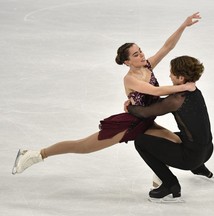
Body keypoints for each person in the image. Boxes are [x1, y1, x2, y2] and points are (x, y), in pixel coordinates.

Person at [12, 13, 201, 175]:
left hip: (147, 122)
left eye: (140, 51)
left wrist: (183, 25)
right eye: (135, 54)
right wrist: (183, 87)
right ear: (127, 62)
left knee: (175, 142)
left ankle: (159, 177)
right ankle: (35, 154)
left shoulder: (148, 66)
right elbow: (155, 91)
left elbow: (167, 47)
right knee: (82, 146)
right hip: (130, 124)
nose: (141, 55)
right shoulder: (130, 79)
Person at [127, 55, 214, 201]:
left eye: (172, 73)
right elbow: (163, 102)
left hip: (190, 158)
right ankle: (199, 168)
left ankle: (170, 184)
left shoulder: (177, 99)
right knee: (170, 136)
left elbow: (145, 112)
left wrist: (130, 107)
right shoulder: (194, 91)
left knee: (141, 141)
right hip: (207, 150)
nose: (169, 75)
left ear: (181, 78)